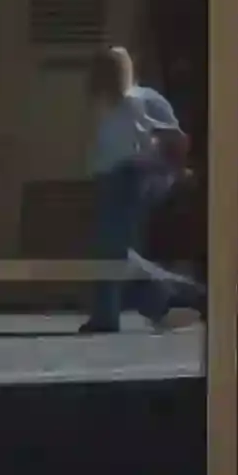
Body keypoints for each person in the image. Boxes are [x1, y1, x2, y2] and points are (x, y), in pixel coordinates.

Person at [83, 45, 198, 334]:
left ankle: (167, 298)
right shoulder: (108, 103)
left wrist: (171, 170)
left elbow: (174, 137)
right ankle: (127, 309)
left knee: (114, 251)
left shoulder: (143, 99)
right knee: (110, 253)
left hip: (133, 176)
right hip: (114, 178)